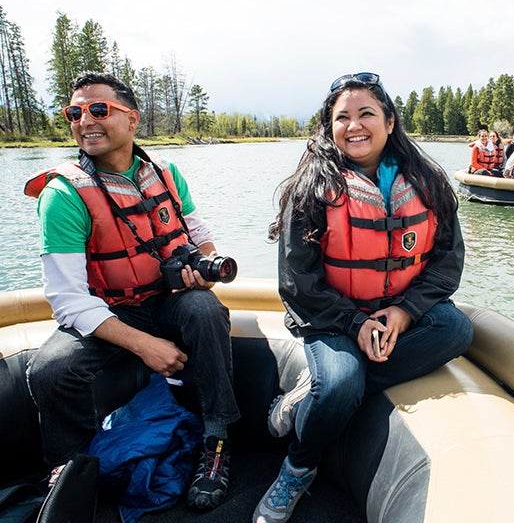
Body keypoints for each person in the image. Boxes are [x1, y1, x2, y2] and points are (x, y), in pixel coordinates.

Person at [255, 72, 474, 523]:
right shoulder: (310, 189)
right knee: (339, 382)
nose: (354, 126)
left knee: (456, 329)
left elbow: (447, 262)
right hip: (331, 318)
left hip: (397, 313)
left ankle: (307, 396)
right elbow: (298, 282)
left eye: (366, 114)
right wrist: (356, 323)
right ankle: (298, 466)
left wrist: (404, 311)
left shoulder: (429, 182)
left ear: (390, 122)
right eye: (343, 118)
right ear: (328, 127)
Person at [23, 72, 239, 511]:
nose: (85, 120)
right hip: (106, 310)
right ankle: (71, 470)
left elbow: (197, 230)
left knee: (204, 309)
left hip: (164, 299)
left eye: (99, 110)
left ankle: (216, 443)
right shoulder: (63, 193)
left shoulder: (165, 172)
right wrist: (147, 347)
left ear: (132, 119)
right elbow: (67, 299)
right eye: (74, 113)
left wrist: (207, 265)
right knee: (50, 370)